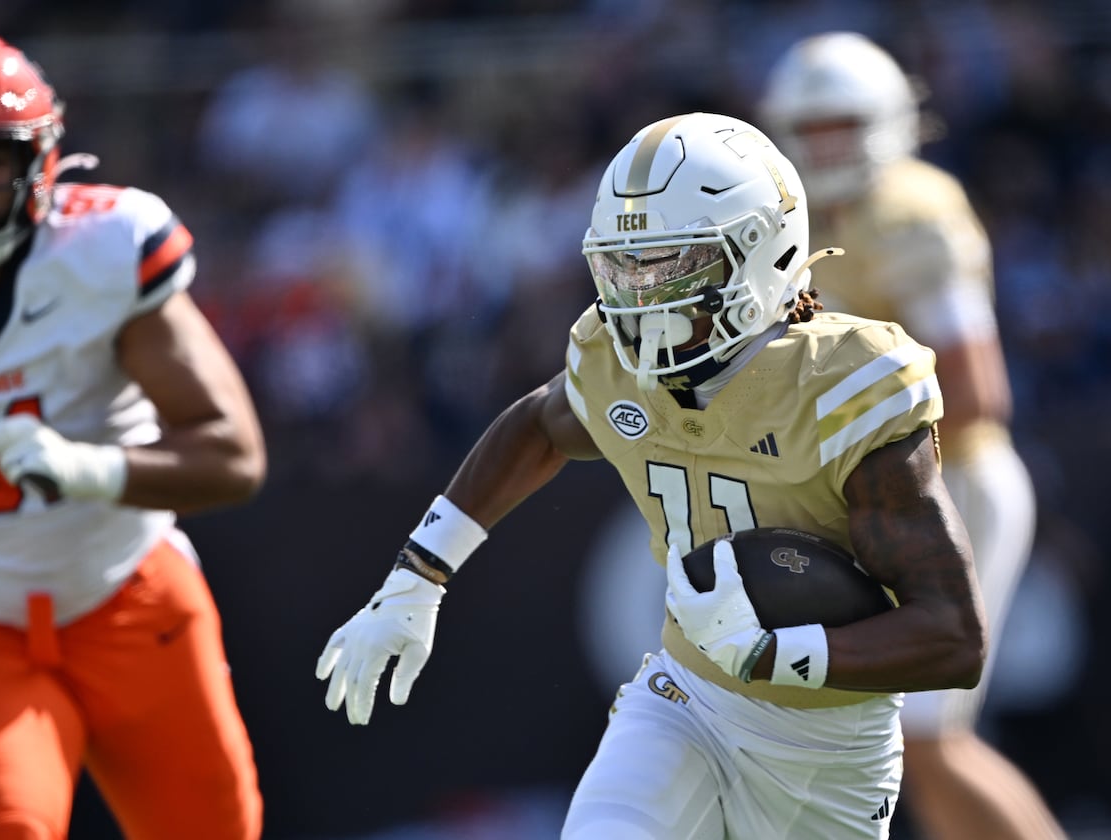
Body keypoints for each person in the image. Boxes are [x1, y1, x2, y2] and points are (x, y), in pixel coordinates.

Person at [318, 110, 988, 839]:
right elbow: (539, 425)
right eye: (623, 268)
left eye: (671, 266)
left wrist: (778, 652)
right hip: (687, 694)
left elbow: (953, 637)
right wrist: (419, 574)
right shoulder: (614, 362)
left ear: (763, 252)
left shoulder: (841, 386)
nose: (643, 298)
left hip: (828, 743)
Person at [0, 33, 266, 839]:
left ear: (39, 159)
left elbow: (234, 455)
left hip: (128, 589)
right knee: (9, 826)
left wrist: (85, 467)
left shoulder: (100, 247)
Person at [757, 31, 1066, 840]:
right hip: (900, 498)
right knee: (902, 744)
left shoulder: (911, 213)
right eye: (812, 127)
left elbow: (974, 394)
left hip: (953, 487)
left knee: (928, 737)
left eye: (842, 125)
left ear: (890, 122)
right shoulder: (814, 219)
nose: (826, 145)